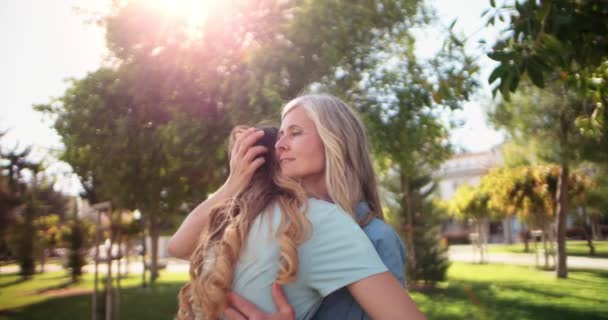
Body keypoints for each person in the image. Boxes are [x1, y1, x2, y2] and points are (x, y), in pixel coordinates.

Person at [169, 94, 425, 320]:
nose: (279, 145)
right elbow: (178, 246)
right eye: (280, 135)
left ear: (334, 141)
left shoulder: (375, 237)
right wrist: (233, 184)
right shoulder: (277, 220)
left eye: (295, 133)